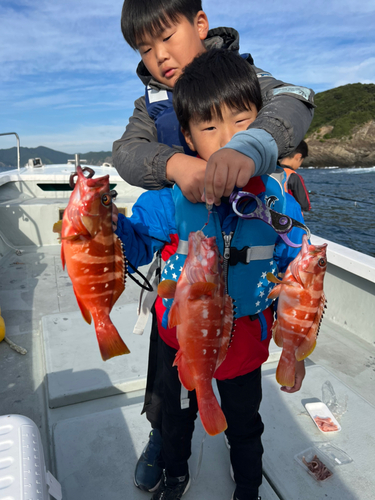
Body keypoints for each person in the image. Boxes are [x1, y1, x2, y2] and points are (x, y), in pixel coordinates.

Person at [112, 0, 314, 494]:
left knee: (245, 420)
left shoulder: (246, 78)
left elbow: (296, 101)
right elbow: (128, 160)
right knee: (171, 406)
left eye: (167, 36)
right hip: (180, 326)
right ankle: (170, 456)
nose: (159, 55)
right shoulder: (152, 114)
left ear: (199, 24)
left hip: (244, 334)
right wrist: (108, 227)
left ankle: (248, 484)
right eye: (146, 47)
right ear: (187, 134)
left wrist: (245, 154)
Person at [279, 141, 311, 212]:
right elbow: (305, 205)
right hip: (288, 218)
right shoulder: (293, 176)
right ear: (298, 156)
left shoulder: (271, 170)